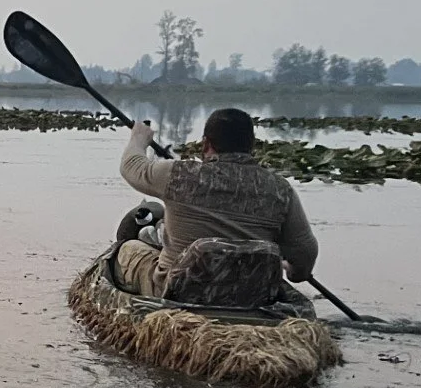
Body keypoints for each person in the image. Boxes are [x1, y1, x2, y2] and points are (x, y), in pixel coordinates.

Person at [116, 106, 317, 298]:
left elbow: (131, 166)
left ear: (205, 144)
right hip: (250, 295)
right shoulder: (281, 190)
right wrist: (293, 273)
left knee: (128, 249)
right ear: (251, 146)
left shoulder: (177, 175)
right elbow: (305, 253)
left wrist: (138, 139)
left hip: (177, 293)